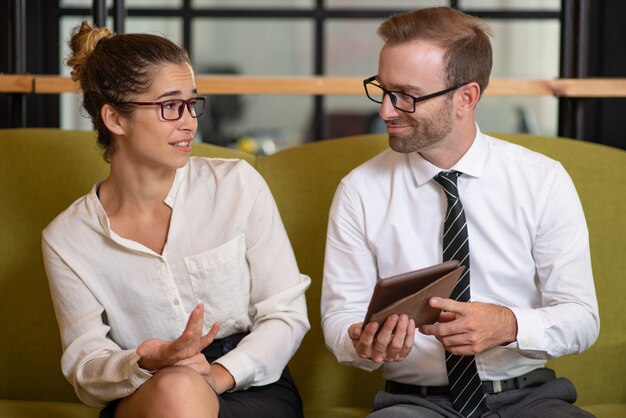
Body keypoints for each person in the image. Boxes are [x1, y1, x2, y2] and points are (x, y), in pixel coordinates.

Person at [321, 7, 599, 418]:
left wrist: (508, 325)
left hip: (529, 399)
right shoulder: (359, 191)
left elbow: (582, 318)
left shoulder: (542, 180)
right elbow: (339, 315)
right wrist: (362, 342)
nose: (386, 111)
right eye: (381, 90)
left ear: (465, 98)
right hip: (414, 403)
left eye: (407, 96)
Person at [42, 21, 310, 418]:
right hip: (143, 390)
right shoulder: (67, 237)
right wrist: (150, 361)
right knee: (175, 390)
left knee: (183, 389)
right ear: (115, 119)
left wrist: (218, 373)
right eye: (170, 106)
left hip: (249, 380)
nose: (189, 122)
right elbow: (86, 367)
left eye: (191, 103)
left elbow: (286, 314)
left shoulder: (236, 184)